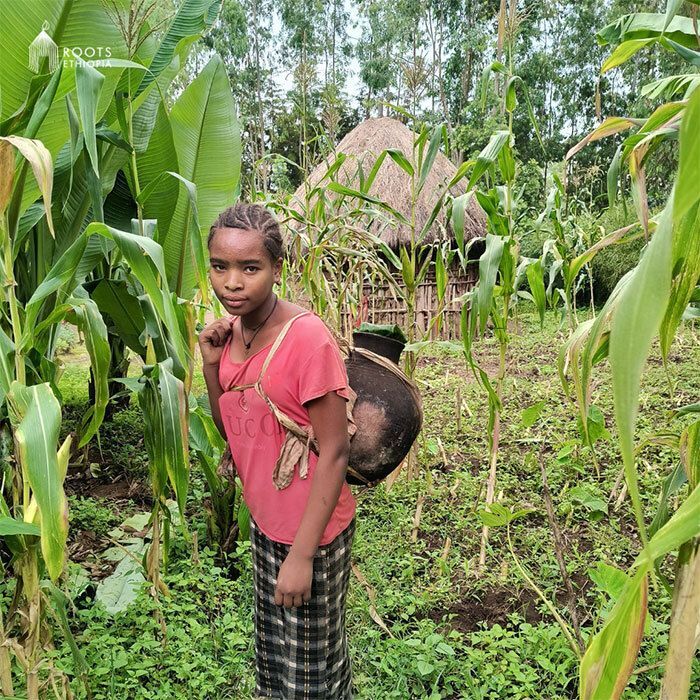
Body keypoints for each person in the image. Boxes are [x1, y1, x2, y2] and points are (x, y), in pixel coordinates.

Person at [198, 203, 356, 699]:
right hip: (266, 523)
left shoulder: (308, 341)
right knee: (276, 661)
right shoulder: (233, 334)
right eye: (220, 267)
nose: (232, 283)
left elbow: (334, 453)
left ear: (277, 268)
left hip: (311, 532)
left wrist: (303, 556)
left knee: (309, 673)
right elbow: (233, 427)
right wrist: (209, 364)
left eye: (250, 268)